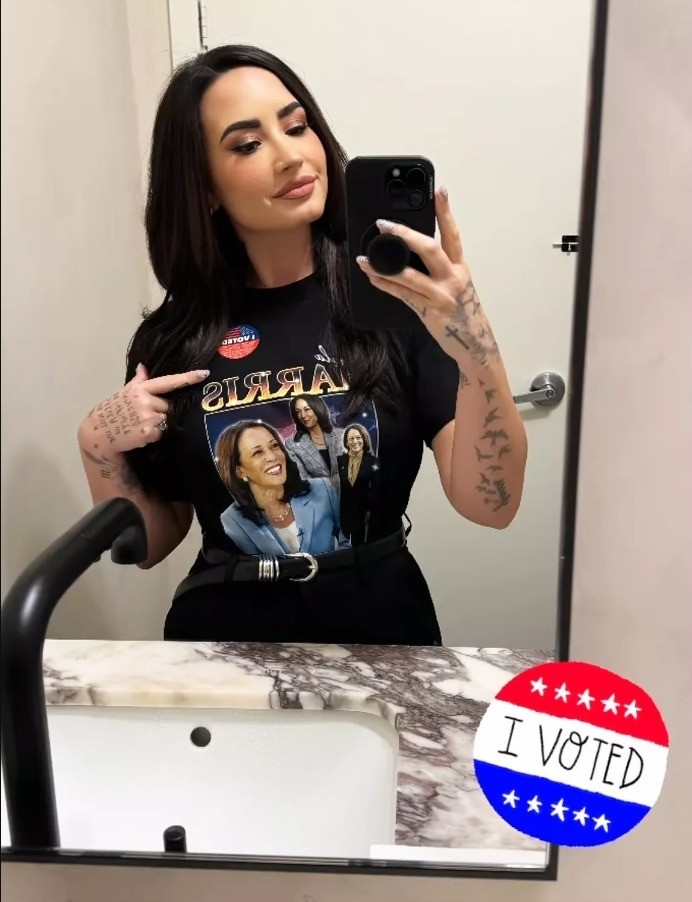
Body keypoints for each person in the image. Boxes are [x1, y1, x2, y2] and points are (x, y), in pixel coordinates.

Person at [77, 44, 527, 646]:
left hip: (381, 632)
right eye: (248, 144)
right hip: (223, 642)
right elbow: (153, 543)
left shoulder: (395, 303)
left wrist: (474, 342)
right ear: (204, 187)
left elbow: (491, 505)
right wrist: (98, 447)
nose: (291, 155)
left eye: (296, 126)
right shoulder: (175, 337)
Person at [215, 420, 346, 555]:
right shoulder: (232, 521)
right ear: (239, 471)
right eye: (257, 452)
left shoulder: (322, 489)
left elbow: (348, 543)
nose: (272, 457)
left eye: (274, 446)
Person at [337, 424, 380, 546]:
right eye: (351, 438)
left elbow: (377, 490)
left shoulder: (373, 461)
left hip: (365, 517)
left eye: (358, 437)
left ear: (364, 439)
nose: (355, 441)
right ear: (346, 442)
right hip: (343, 515)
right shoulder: (339, 461)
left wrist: (371, 512)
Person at [287, 394, 344, 482]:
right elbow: (303, 479)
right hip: (319, 490)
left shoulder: (342, 435)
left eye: (307, 409)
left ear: (318, 409)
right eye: (298, 412)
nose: (303, 415)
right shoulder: (292, 445)